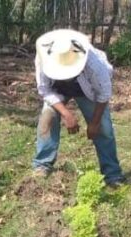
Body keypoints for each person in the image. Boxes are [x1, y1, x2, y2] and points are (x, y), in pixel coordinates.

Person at [32, 29, 125, 187]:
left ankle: (112, 174)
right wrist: (66, 114)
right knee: (47, 117)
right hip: (56, 90)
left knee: (104, 128)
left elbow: (104, 93)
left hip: (87, 89)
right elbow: (44, 90)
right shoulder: (44, 58)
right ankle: (42, 165)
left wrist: (94, 123)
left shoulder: (95, 64)